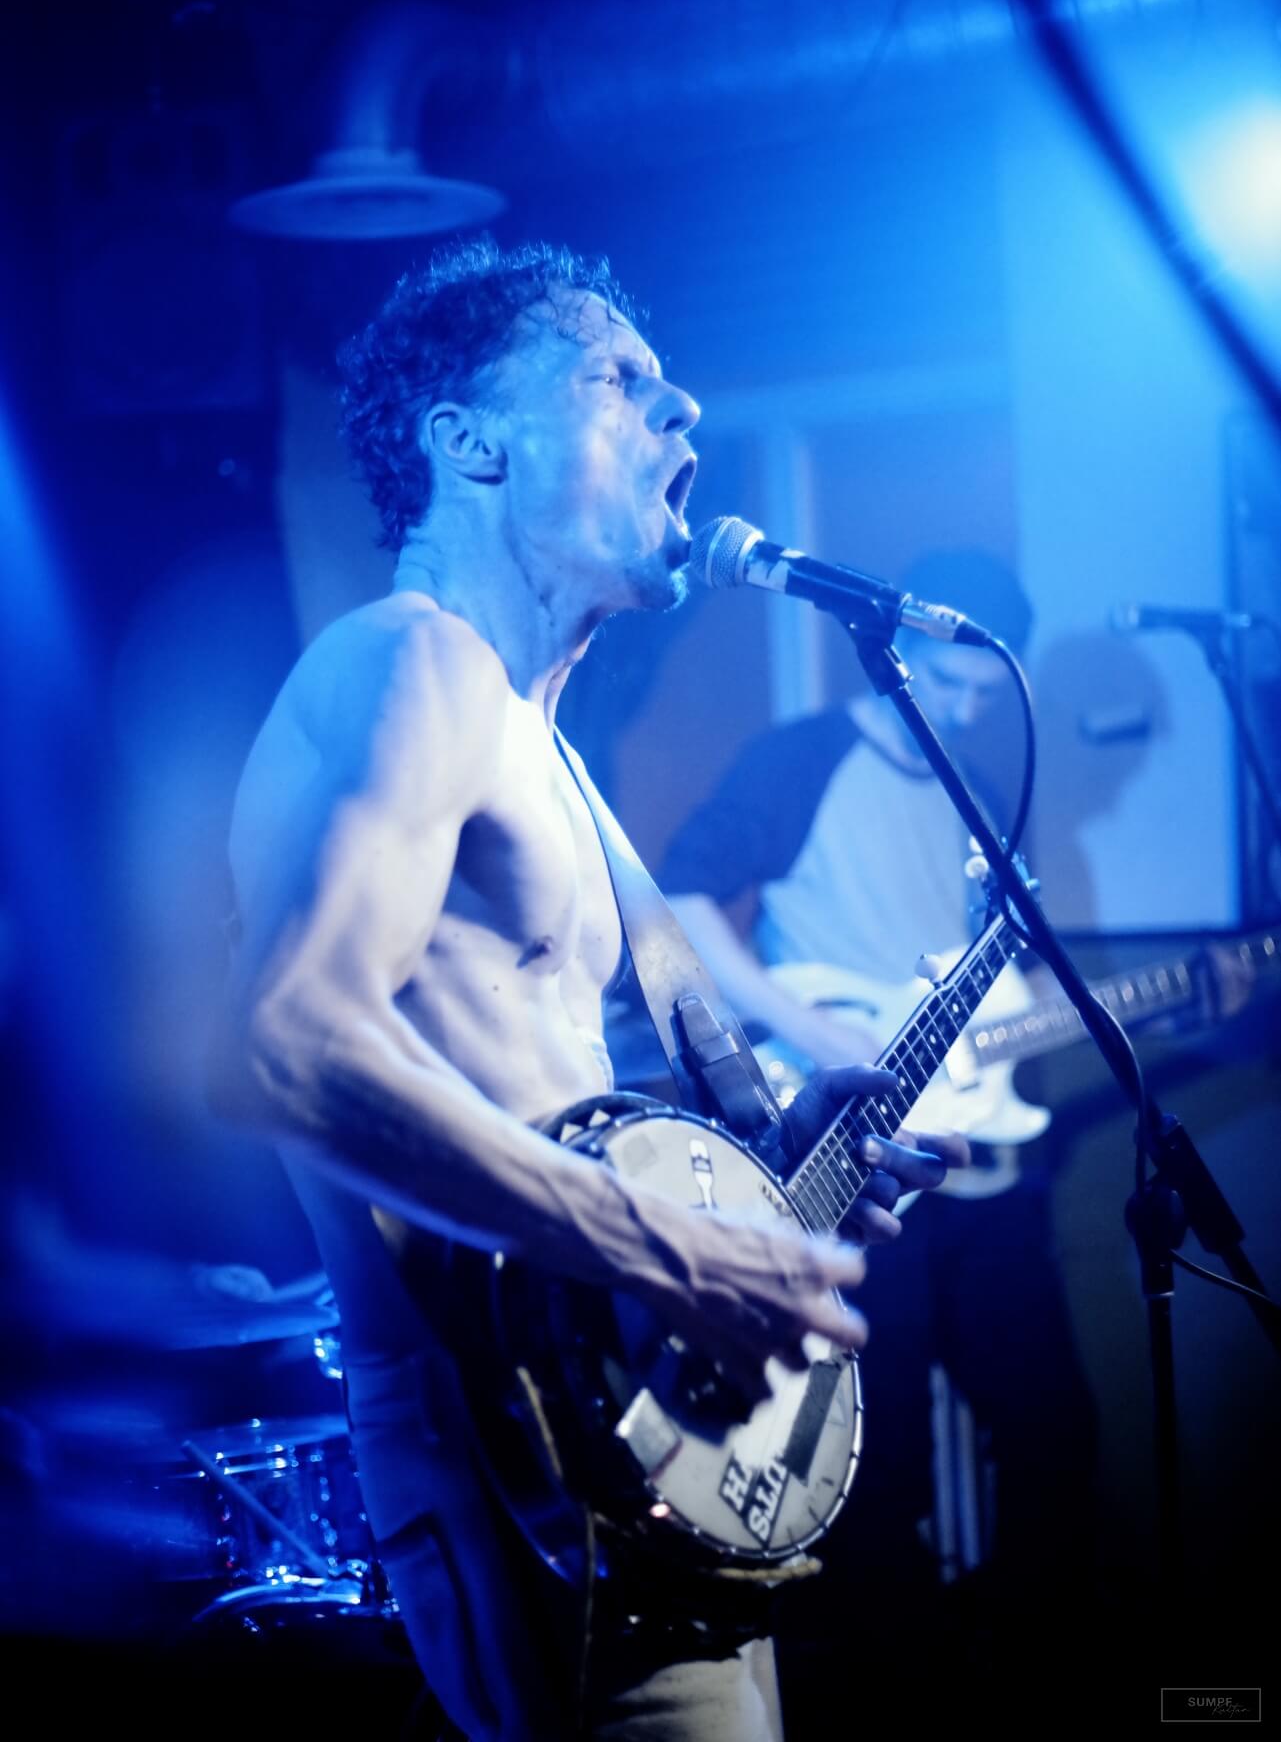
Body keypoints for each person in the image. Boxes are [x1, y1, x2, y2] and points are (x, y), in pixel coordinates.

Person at [215, 241, 969, 1742]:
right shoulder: (412, 664)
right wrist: (674, 1253)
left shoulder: (541, 751)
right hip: (524, 1454)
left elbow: (543, 1097)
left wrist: (770, 1172)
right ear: (470, 443)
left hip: (629, 1439)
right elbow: (286, 1043)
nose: (682, 410)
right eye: (618, 380)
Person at [660, 553, 1101, 1701]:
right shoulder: (801, 759)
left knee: (1055, 1431)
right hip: (856, 1156)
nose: (960, 708)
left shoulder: (978, 789)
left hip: (980, 1158)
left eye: (983, 693)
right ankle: (900, 1690)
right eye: (946, 683)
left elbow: (995, 961)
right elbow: (684, 891)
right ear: (900, 654)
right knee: (880, 1452)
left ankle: (1025, 1673)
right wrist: (809, 1023)